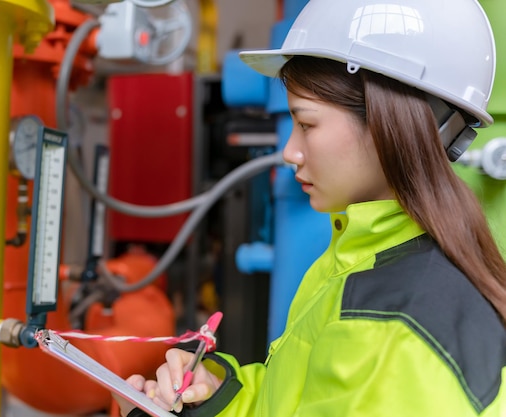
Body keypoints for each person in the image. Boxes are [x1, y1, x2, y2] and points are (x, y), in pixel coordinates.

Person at [115, 0, 506, 415]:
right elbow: (292, 401)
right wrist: (215, 394)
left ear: (389, 126)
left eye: (306, 124)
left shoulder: (394, 329)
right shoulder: (363, 262)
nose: (289, 152)